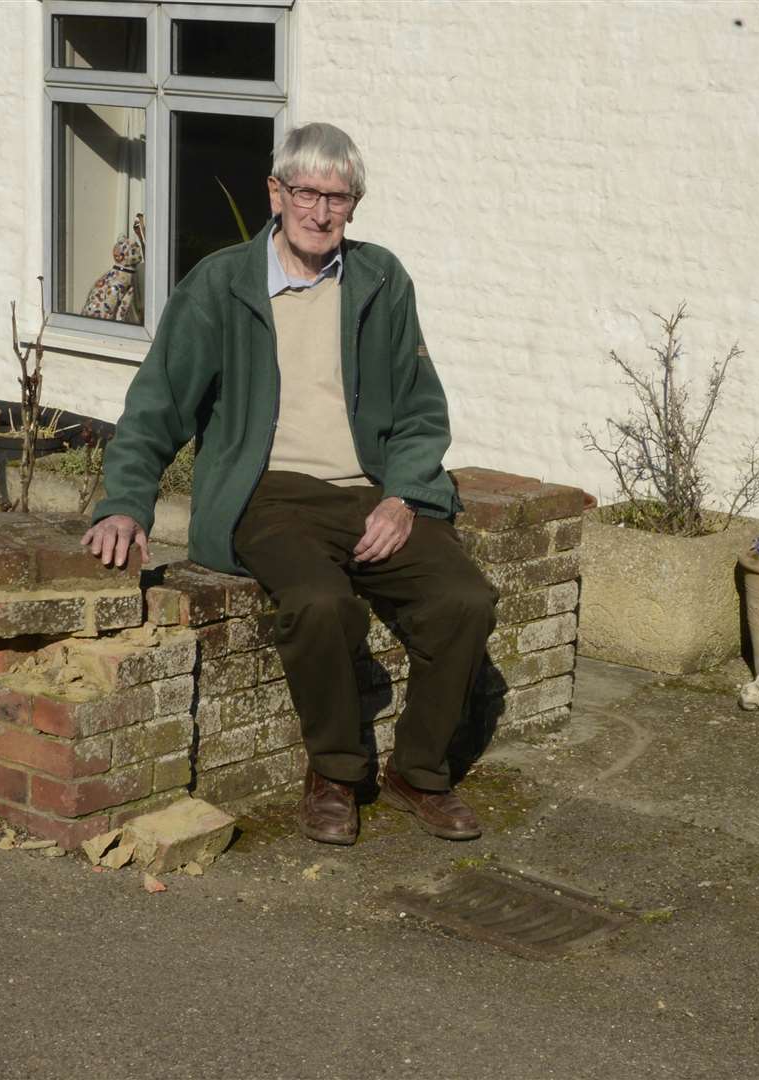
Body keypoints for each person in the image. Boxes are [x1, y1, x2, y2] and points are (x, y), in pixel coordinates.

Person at [81, 122, 497, 846]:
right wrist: (125, 503)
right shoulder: (220, 283)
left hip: (369, 491)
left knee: (465, 600)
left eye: (338, 197)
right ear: (276, 193)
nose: (321, 211)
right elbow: (157, 403)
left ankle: (419, 772)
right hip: (266, 493)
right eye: (305, 192)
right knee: (319, 603)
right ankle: (335, 774)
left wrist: (403, 497)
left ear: (354, 205)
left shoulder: (380, 280)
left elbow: (423, 410)